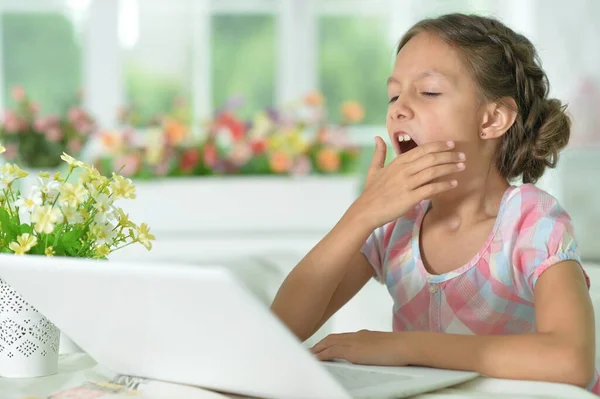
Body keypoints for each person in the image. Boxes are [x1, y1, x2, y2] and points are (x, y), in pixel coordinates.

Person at [270, 13, 599, 394]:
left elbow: (571, 360)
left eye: (428, 92)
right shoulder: (395, 224)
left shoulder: (531, 220)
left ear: (492, 119)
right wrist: (361, 215)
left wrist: (407, 347)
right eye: (393, 95)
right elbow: (281, 329)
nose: (398, 109)